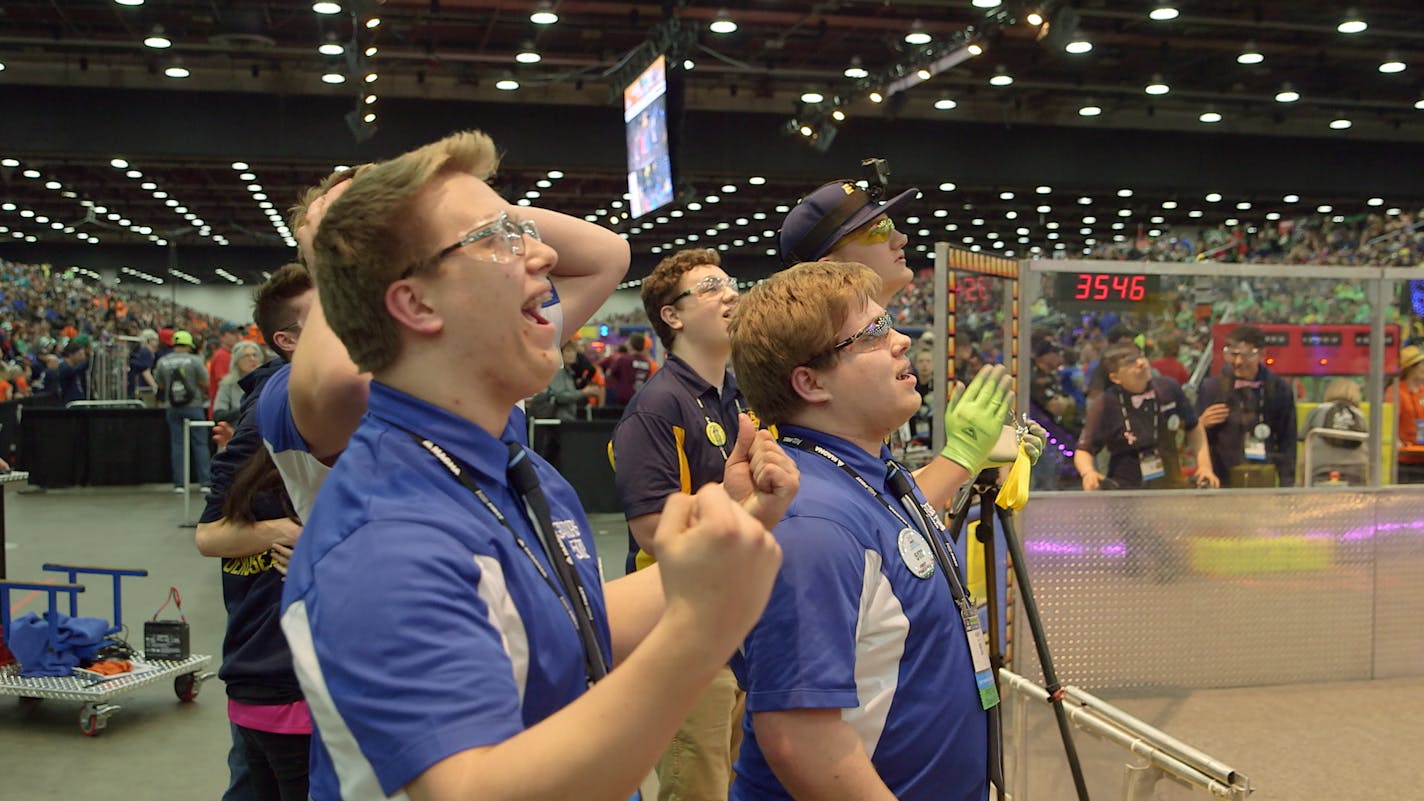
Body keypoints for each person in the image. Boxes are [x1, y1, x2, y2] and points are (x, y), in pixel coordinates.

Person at [281, 129, 788, 801]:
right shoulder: (384, 537)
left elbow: (565, 617)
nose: (545, 252)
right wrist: (700, 632)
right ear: (415, 303)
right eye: (499, 237)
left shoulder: (513, 470)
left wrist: (742, 523)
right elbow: (474, 788)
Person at [726, 261, 1003, 801]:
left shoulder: (874, 475)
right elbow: (799, 740)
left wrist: (967, 458)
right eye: (873, 333)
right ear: (810, 382)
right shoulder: (812, 521)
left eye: (891, 323)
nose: (901, 341)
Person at [611, 248, 793, 801]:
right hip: (683, 622)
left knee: (738, 778)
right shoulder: (657, 406)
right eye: (711, 287)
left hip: (742, 618)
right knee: (697, 783)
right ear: (673, 316)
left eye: (729, 283)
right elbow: (652, 533)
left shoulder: (738, 398)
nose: (730, 294)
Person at [778, 178, 1045, 510]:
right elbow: (860, 515)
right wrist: (961, 456)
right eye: (878, 230)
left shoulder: (856, 364)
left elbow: (874, 497)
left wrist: (970, 459)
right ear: (830, 269)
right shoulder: (816, 362)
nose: (900, 238)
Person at [195, 264, 316, 801]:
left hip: (281, 671)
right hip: (278, 671)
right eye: (326, 320)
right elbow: (209, 534)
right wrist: (286, 532)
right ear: (286, 342)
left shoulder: (323, 403)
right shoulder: (275, 406)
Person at [1074, 341, 1219, 490]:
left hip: (1170, 484)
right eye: (1130, 362)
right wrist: (1088, 473)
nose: (1140, 363)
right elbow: (1084, 449)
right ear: (1115, 378)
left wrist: (1205, 466)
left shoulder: (1168, 389)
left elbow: (1194, 427)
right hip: (1126, 488)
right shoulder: (1105, 404)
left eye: (1141, 357)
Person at [1196, 325, 1297, 487]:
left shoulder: (1278, 388)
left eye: (1246, 356)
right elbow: (1194, 437)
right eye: (1232, 355)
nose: (1238, 362)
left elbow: (1288, 440)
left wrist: (1287, 483)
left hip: (1263, 477)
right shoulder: (1211, 388)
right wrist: (1201, 424)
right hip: (1221, 478)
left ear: (1262, 354)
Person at [155, 330, 211, 491]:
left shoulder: (162, 361)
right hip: (194, 406)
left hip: (172, 407)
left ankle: (179, 484)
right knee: (200, 444)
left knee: (177, 445)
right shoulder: (195, 360)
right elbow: (205, 383)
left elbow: (160, 385)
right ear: (188, 345)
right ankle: (205, 482)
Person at [1299, 377, 1368, 486]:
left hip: (1320, 470)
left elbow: (1305, 444)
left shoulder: (1317, 411)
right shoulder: (1360, 416)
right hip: (1355, 472)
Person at [1390, 344, 1424, 483]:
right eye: (1421, 364)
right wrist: (1396, 442)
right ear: (1411, 368)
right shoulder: (1396, 392)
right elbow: (1389, 422)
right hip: (1405, 461)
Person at [214, 340, 266, 424]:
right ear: (237, 361)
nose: (252, 359)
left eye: (255, 355)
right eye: (246, 356)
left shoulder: (266, 382)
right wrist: (247, 410)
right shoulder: (228, 384)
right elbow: (218, 415)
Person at [602, 332, 659, 406]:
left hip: (621, 400)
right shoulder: (647, 363)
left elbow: (609, 374)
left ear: (631, 346)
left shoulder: (623, 360)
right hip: (638, 400)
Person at [209, 321, 244, 418]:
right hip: (225, 411)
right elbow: (224, 383)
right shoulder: (222, 356)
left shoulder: (230, 354)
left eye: (238, 333)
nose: (237, 336)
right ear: (222, 337)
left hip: (229, 411)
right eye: (233, 333)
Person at [128, 328, 160, 399]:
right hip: (143, 390)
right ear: (149, 340)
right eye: (155, 340)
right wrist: (155, 387)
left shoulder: (143, 352)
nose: (158, 342)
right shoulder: (146, 352)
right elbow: (145, 372)